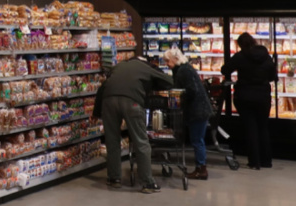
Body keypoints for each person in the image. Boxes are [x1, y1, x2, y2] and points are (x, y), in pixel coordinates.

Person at [93, 56, 173, 193]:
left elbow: (103, 88)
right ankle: (147, 183)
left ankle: (114, 179)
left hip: (108, 101)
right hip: (132, 101)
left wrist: (96, 113)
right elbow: (168, 81)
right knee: (141, 141)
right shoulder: (145, 67)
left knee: (112, 141)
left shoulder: (119, 66)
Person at [221, 32, 276, 169]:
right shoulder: (265, 55)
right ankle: (266, 161)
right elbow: (272, 76)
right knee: (263, 127)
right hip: (263, 96)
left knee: (251, 127)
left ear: (240, 44)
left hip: (245, 95)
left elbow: (225, 69)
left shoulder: (240, 56)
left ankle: (254, 162)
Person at [163, 47, 213, 179]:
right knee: (198, 140)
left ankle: (201, 169)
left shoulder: (183, 70)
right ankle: (200, 168)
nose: (166, 64)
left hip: (197, 110)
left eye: (168, 61)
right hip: (200, 109)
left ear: (175, 59)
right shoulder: (184, 69)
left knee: (197, 140)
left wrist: (180, 99)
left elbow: (191, 90)